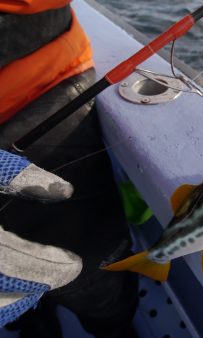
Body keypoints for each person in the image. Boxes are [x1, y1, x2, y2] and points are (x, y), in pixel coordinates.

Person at [0, 1, 139, 337]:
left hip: (37, 91)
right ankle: (36, 317)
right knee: (75, 271)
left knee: (86, 268)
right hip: (38, 84)